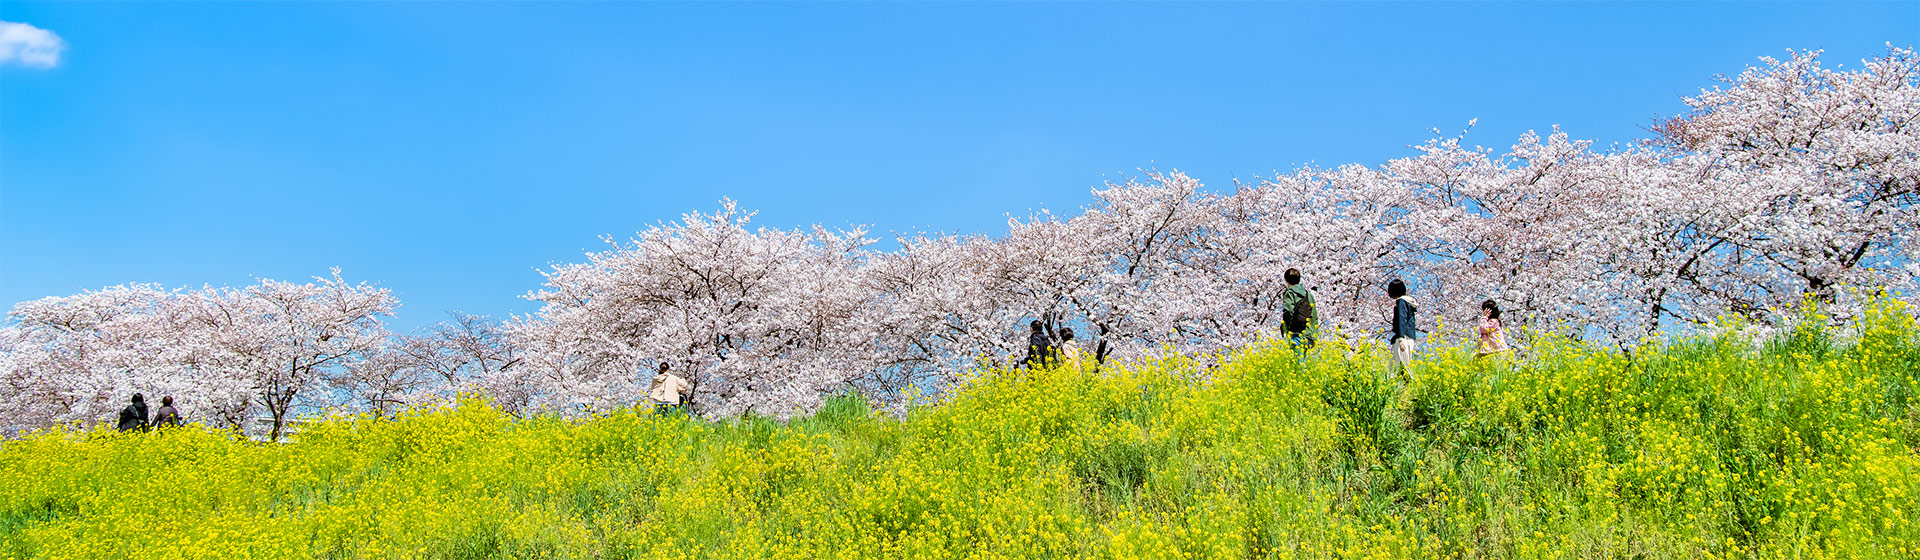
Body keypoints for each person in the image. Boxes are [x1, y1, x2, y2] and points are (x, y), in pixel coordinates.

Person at [1387, 279, 1419, 380]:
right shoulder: (1410, 302)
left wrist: (1401, 338)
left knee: (1396, 367)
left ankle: (1401, 391)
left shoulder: (1401, 301)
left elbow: (1401, 319)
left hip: (1402, 338)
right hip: (1410, 338)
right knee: (1405, 365)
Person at [1281, 268, 1319, 349]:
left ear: (1286, 280)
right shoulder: (1309, 295)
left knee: (1296, 361)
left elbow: (1288, 312)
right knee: (1302, 361)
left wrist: (1286, 329)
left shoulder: (1290, 293)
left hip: (1296, 333)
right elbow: (1314, 316)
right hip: (1308, 335)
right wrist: (1313, 336)